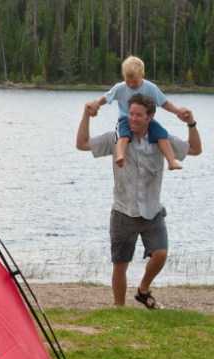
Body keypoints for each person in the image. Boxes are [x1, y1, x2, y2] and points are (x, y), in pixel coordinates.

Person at [76, 93, 202, 309]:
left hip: (152, 211)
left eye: (139, 115)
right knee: (120, 266)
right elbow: (83, 144)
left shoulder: (162, 141)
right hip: (123, 212)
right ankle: (119, 308)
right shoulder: (116, 138)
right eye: (131, 114)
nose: (133, 119)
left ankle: (143, 290)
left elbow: (195, 150)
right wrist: (86, 116)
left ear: (150, 117)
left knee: (161, 253)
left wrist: (191, 123)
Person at [86, 55, 190, 170]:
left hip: (147, 120)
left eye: (134, 81)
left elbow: (164, 103)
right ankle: (120, 155)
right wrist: (95, 105)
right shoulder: (120, 88)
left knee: (162, 135)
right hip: (125, 119)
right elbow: (105, 98)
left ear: (142, 75)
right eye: (127, 81)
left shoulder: (151, 88)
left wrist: (177, 111)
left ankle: (171, 161)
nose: (130, 84)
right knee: (123, 135)